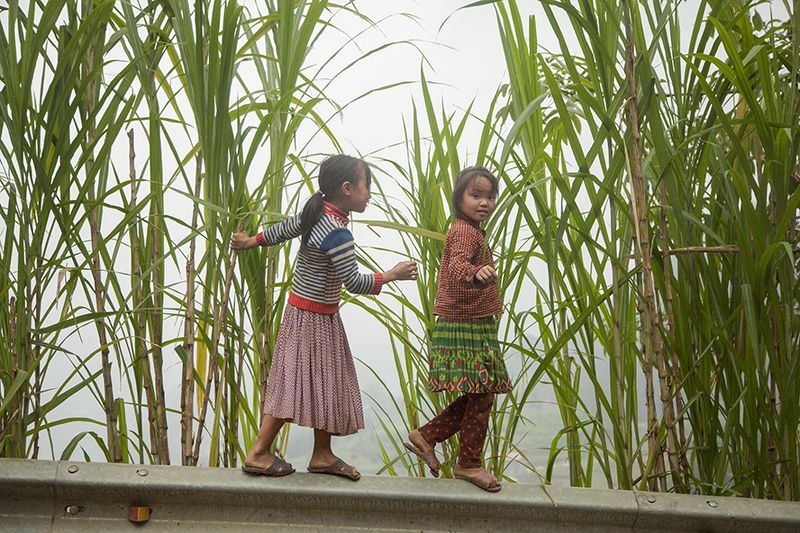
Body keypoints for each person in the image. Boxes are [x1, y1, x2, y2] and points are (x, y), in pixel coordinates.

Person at [232, 154, 417, 480]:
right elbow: (355, 282)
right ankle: (259, 453)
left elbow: (281, 231)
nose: (370, 193)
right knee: (292, 384)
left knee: (324, 382)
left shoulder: (314, 214)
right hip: (312, 319)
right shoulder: (336, 232)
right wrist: (391, 274)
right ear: (347, 189)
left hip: (308, 314)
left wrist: (250, 242)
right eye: (366, 186)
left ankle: (321, 455)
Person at [404, 166, 511, 492]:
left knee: (479, 395)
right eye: (475, 195)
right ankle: (468, 464)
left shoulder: (469, 229)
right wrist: (475, 272)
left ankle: (428, 436)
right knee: (482, 395)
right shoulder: (466, 232)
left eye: (489, 195)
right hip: (466, 325)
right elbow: (457, 264)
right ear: (458, 198)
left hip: (468, 322)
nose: (484, 202)